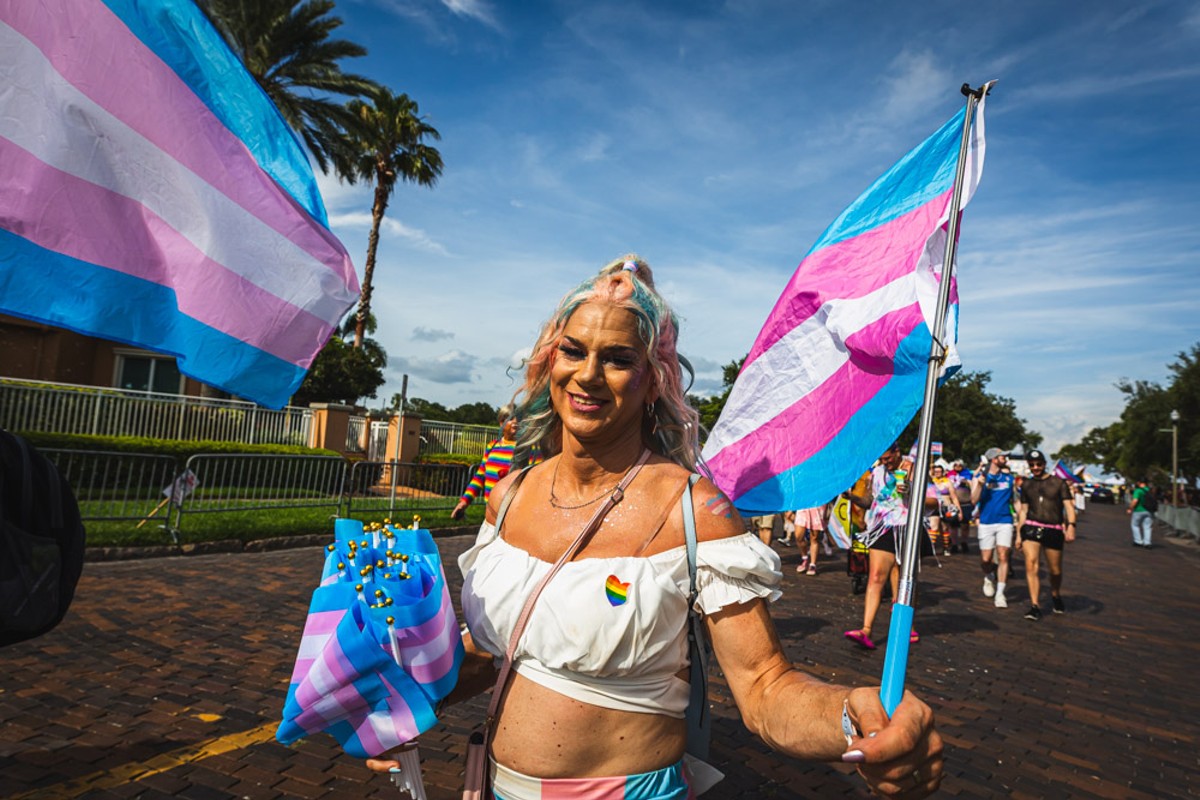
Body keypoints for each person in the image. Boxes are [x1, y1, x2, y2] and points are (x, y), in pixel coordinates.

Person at [365, 255, 943, 798]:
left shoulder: (697, 511)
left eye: (618, 359)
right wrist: (398, 704)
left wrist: (852, 716)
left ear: (653, 380)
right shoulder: (510, 495)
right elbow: (493, 652)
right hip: (493, 782)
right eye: (573, 351)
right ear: (550, 362)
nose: (588, 375)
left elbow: (767, 688)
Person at [844, 443, 933, 651]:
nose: (885, 463)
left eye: (887, 458)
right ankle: (866, 630)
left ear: (896, 451)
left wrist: (911, 489)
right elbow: (869, 501)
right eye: (882, 460)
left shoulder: (914, 468)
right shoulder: (877, 473)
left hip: (906, 527)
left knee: (905, 578)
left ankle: (907, 625)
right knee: (875, 577)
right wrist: (852, 496)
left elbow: (931, 501)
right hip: (882, 528)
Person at [1015, 450, 1076, 620]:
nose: (1036, 467)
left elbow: (1069, 506)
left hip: (1053, 529)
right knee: (1031, 564)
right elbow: (1023, 511)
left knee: (1055, 570)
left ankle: (1055, 594)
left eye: (1039, 464)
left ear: (1044, 463)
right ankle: (1035, 605)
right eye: (1032, 465)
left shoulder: (1058, 483)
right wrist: (1019, 535)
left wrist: (1071, 526)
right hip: (1031, 528)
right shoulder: (1026, 485)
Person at [451, 406, 531, 520]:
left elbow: (535, 477)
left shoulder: (526, 447)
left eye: (518, 419)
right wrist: (464, 502)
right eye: (511, 418)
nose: (515, 422)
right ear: (501, 423)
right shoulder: (492, 446)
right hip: (491, 511)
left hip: (513, 512)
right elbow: (479, 476)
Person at [970, 448, 1016, 609]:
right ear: (994, 459)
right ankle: (989, 576)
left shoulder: (1009, 478)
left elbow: (1014, 500)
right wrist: (980, 486)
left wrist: (1018, 518)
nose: (1006, 458)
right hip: (986, 522)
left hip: (1005, 521)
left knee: (1003, 556)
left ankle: (1000, 593)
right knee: (986, 560)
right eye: (1003, 456)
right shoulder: (980, 477)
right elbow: (973, 500)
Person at [925, 465, 961, 557]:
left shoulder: (948, 482)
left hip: (946, 508)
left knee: (944, 529)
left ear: (943, 472)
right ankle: (930, 548)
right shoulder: (931, 482)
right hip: (935, 508)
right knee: (934, 527)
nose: (937, 473)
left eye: (939, 471)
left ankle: (946, 548)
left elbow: (954, 497)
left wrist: (959, 510)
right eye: (935, 471)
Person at [796, 502, 830, 576]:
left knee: (814, 537)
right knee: (798, 536)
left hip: (818, 503)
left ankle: (812, 564)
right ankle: (805, 557)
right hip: (803, 503)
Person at [1127, 479, 1154, 548]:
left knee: (1135, 525)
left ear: (1139, 483)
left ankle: (1138, 541)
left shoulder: (1138, 490)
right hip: (1150, 510)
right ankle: (1147, 542)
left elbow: (1135, 500)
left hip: (1139, 510)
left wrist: (1130, 508)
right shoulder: (1151, 490)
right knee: (1147, 527)